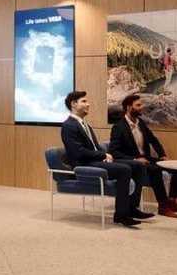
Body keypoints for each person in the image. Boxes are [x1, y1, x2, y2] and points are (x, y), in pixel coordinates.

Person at [60, 91, 146, 228]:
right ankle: (121, 214)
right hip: (85, 165)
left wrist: (104, 155)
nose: (88, 104)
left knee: (138, 166)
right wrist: (103, 156)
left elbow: (95, 148)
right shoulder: (68, 126)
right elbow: (78, 152)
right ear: (73, 104)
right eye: (84, 101)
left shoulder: (85, 125)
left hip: (96, 161)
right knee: (124, 169)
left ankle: (132, 207)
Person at [109, 94, 177, 218]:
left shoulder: (140, 123)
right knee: (155, 169)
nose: (141, 107)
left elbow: (153, 140)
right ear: (129, 107)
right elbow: (113, 151)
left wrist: (163, 155)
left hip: (147, 159)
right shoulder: (118, 127)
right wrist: (135, 159)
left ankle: (172, 202)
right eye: (138, 105)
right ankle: (163, 206)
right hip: (134, 163)